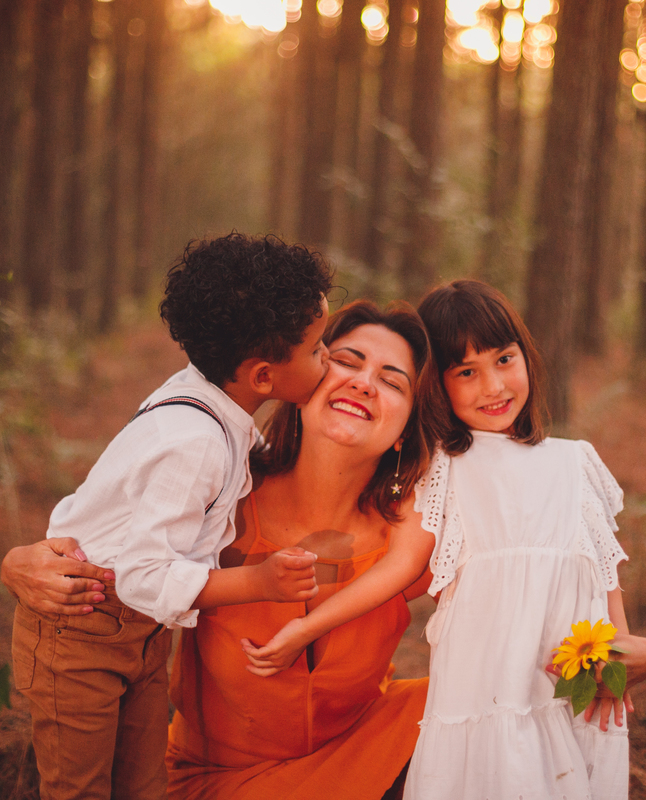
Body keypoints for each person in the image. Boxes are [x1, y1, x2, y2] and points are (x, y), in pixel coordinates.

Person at [3, 233, 334, 800]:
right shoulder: (194, 442)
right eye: (318, 349)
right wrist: (258, 582)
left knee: (143, 785)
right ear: (262, 376)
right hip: (80, 628)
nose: (327, 359)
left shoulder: (213, 404)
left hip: (143, 634)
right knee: (79, 788)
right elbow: (143, 574)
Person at [164, 300, 446, 800]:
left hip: (361, 753)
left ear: (405, 430)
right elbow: (115, 556)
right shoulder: (225, 492)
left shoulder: (408, 540)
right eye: (347, 361)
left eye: (392, 381)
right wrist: (27, 564)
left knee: (479, 704)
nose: (364, 383)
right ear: (305, 382)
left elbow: (512, 607)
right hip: (217, 777)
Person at [398, 279, 646, 800]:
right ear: (437, 385)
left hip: (572, 704)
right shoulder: (440, 471)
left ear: (526, 357)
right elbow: (395, 576)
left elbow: (609, 604)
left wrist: (633, 658)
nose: (493, 386)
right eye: (466, 372)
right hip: (482, 711)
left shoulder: (574, 463)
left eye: (504, 359)